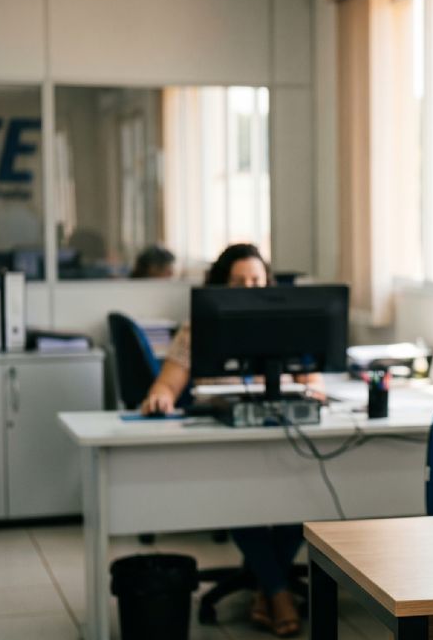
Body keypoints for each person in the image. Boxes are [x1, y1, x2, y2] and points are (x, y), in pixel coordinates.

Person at [141, 243, 307, 637]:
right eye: (238, 282)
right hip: (227, 441)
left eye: (256, 281)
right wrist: (161, 395)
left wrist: (311, 388)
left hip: (284, 434)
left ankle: (267, 589)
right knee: (240, 497)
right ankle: (278, 592)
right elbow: (167, 381)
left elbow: (312, 378)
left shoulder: (286, 322)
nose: (249, 289)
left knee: (309, 491)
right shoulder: (198, 327)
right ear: (221, 286)